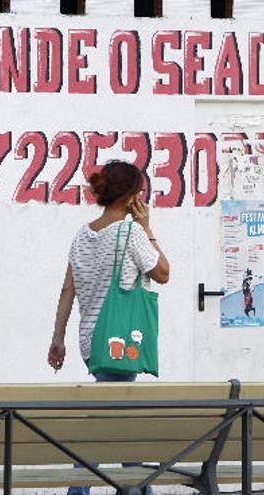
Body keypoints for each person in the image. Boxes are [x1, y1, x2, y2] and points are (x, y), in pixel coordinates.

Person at [47, 160, 170, 495]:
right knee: (105, 427)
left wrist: (58, 339)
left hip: (92, 341)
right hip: (120, 339)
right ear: (131, 196)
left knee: (118, 421)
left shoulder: (82, 236)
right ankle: (84, 491)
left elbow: (68, 290)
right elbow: (163, 273)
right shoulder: (130, 233)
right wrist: (147, 228)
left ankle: (135, 488)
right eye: (140, 193)